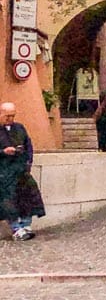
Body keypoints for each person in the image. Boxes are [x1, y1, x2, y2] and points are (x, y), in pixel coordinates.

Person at [0, 101, 45, 241]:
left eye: (12, 116)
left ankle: (26, 225)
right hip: (4, 172)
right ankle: (16, 228)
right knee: (8, 201)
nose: (10, 119)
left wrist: (28, 161)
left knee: (28, 197)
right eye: (7, 116)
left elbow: (28, 145)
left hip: (21, 170)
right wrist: (3, 151)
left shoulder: (19, 128)